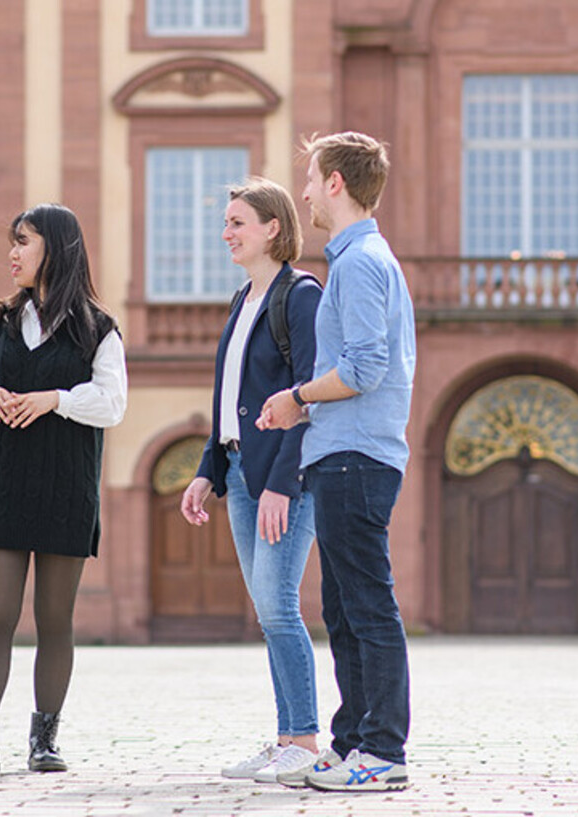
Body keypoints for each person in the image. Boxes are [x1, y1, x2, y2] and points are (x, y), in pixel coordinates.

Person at [258, 131, 415, 793]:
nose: (303, 192)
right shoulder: (358, 259)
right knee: (345, 608)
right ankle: (351, 742)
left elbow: (364, 367)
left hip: (357, 453)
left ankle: (382, 750)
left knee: (368, 606)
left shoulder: (358, 263)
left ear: (335, 184)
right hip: (342, 454)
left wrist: (296, 395)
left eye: (311, 177)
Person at [0, 203, 127, 775]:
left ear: (55, 247)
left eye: (23, 242)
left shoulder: (98, 329)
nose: (13, 253)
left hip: (67, 488)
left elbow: (113, 405)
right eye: (12, 242)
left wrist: (56, 399)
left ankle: (44, 739)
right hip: (4, 485)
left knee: (55, 620)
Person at [178, 178, 325, 784]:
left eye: (239, 222)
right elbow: (228, 398)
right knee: (268, 610)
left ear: (273, 228)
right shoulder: (243, 300)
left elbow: (312, 397)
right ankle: (287, 734)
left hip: (280, 477)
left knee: (278, 606)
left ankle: (307, 740)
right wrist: (207, 470)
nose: (227, 233)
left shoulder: (301, 296)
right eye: (227, 222)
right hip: (240, 472)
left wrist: (283, 483)